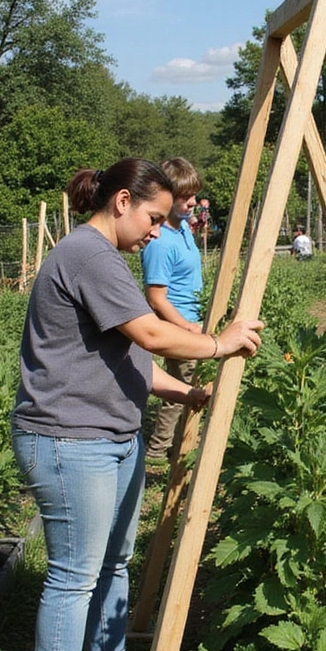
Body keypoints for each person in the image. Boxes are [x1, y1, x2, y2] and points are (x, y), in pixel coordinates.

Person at [11, 158, 263, 651]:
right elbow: (150, 335)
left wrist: (185, 392)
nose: (158, 231)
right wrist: (218, 344)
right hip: (71, 440)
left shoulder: (103, 259)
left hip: (110, 436)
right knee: (74, 576)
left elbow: (122, 359)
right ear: (122, 201)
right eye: (155, 217)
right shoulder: (89, 255)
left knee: (113, 562)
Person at [141, 157, 203, 458]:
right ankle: (159, 450)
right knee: (179, 392)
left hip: (193, 322)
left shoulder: (182, 230)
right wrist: (188, 327)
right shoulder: (160, 242)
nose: (192, 202)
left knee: (190, 387)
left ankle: (182, 445)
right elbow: (155, 297)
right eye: (185, 197)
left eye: (193, 196)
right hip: (178, 326)